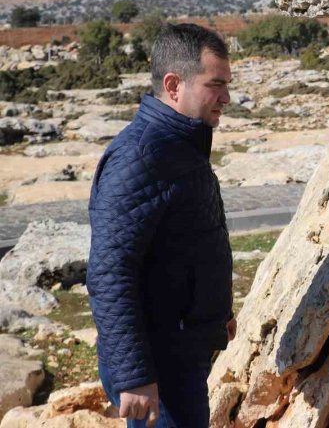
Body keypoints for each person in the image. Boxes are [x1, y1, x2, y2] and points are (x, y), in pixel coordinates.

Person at [87, 23, 237, 428]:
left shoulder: (180, 145)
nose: (226, 97)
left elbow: (190, 244)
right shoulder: (141, 156)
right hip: (157, 362)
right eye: (215, 84)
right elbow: (110, 273)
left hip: (182, 348)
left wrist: (217, 311)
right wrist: (135, 376)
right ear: (174, 85)